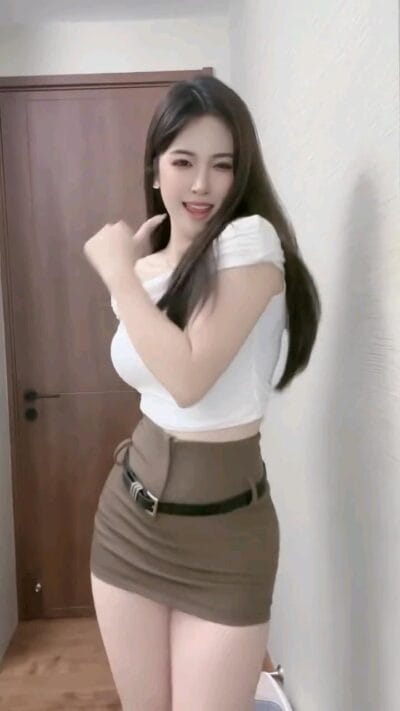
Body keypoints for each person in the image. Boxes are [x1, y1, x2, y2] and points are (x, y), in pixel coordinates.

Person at [83, 75, 321, 711]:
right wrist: (132, 275)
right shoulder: (151, 267)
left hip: (225, 539)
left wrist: (116, 274)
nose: (201, 185)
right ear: (155, 167)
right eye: (183, 162)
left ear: (242, 173)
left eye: (223, 165)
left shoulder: (251, 241)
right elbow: (156, 364)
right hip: (129, 520)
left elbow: (188, 379)